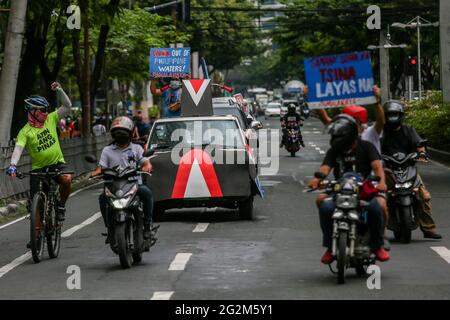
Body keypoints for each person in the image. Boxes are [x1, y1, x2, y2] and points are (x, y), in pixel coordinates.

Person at [308, 114, 390, 264]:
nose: (335, 138)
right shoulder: (334, 151)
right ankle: (329, 246)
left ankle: (378, 245)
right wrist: (316, 180)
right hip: (340, 188)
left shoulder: (366, 146)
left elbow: (378, 168)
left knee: (376, 206)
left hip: (364, 188)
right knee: (323, 204)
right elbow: (325, 169)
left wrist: (381, 183)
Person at [6, 82, 73, 221]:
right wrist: (13, 165)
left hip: (57, 164)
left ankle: (60, 206)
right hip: (38, 169)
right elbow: (18, 148)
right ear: (33, 111)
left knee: (67, 179)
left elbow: (67, 106)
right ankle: (36, 237)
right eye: (42, 110)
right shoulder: (25, 131)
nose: (45, 112)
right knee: (36, 207)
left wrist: (59, 90)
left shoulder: (51, 119)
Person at [380, 100, 441, 239]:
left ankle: (428, 229)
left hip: (408, 167)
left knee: (424, 195)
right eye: (389, 114)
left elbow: (419, 145)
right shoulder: (381, 132)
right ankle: (378, 232)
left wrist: (421, 153)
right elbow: (373, 147)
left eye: (395, 114)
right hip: (386, 170)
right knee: (380, 197)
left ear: (401, 115)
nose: (392, 117)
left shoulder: (408, 130)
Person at [90, 116, 155, 241]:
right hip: (113, 186)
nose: (120, 135)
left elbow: (145, 162)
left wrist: (147, 167)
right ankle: (109, 228)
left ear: (130, 134)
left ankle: (147, 226)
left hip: (134, 184)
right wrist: (95, 173)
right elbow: (101, 167)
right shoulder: (107, 150)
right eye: (117, 133)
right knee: (103, 198)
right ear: (113, 135)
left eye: (123, 132)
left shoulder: (136, 148)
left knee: (147, 194)